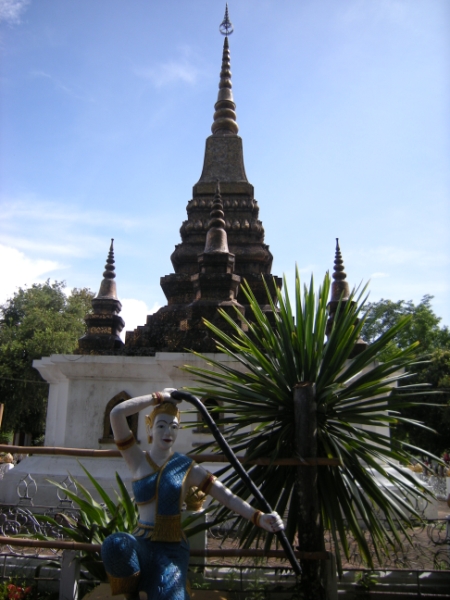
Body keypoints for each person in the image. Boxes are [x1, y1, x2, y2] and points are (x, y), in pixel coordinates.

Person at [101, 389, 283, 600]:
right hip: (141, 544)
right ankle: (132, 596)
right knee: (115, 544)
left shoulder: (186, 467)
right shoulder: (137, 460)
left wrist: (259, 517)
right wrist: (158, 397)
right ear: (149, 427)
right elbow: (116, 414)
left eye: (174, 426)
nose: (168, 432)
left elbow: (226, 496)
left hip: (171, 550)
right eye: (161, 425)